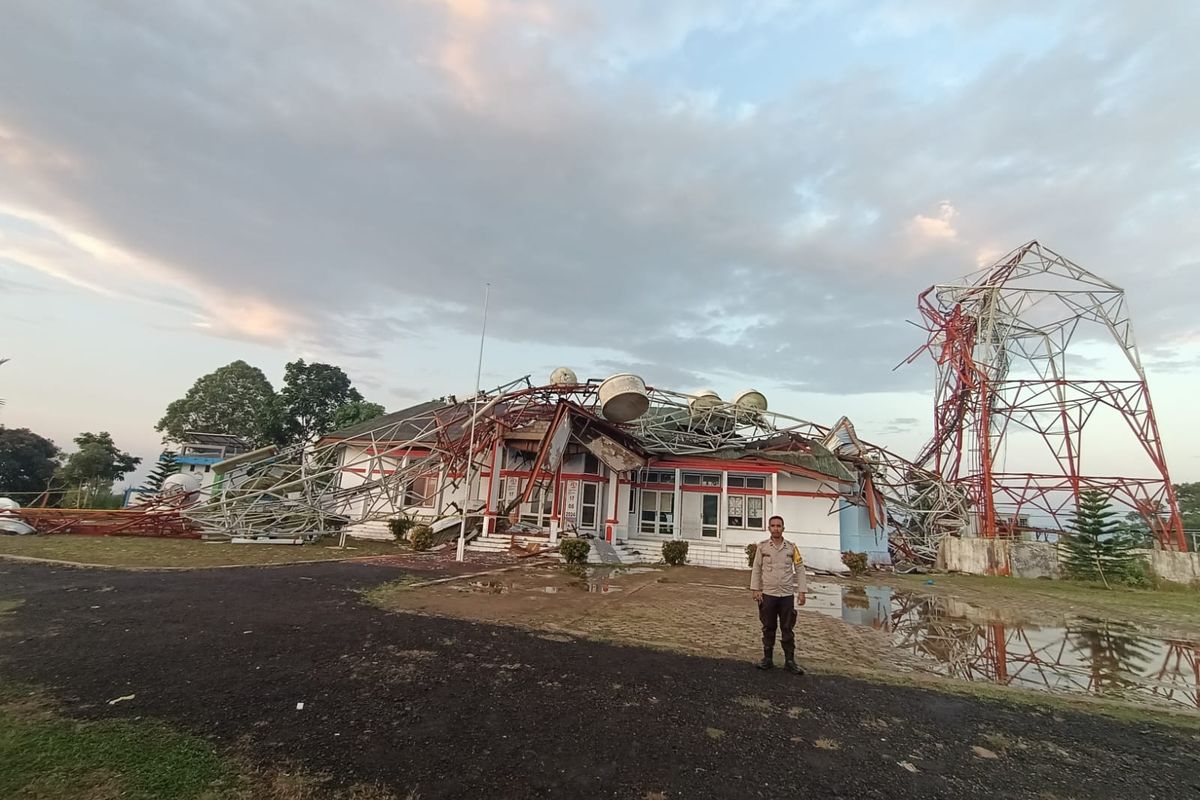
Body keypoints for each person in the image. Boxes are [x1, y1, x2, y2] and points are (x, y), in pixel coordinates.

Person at [749, 515, 807, 674]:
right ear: (769, 528)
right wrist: (755, 589)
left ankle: (790, 661)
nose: (776, 528)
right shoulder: (762, 548)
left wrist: (802, 591)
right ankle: (767, 659)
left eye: (779, 526)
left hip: (787, 595)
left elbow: (800, 569)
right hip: (768, 594)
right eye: (773, 525)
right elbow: (757, 568)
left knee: (787, 628)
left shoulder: (792, 548)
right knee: (768, 627)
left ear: (783, 528)